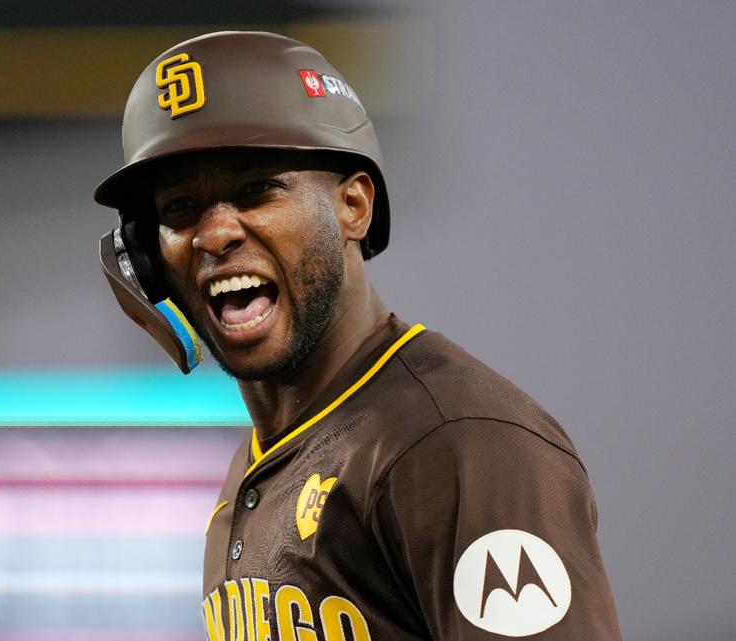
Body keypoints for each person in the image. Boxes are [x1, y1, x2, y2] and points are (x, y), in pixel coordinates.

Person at [95, 31, 621, 641]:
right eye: (181, 208)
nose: (214, 235)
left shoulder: (454, 442)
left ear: (353, 205)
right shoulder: (254, 468)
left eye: (255, 191)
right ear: (144, 258)